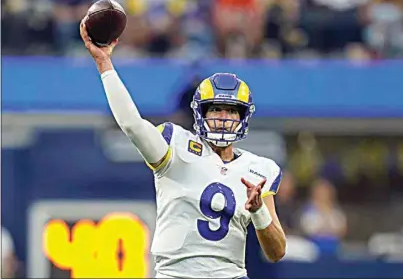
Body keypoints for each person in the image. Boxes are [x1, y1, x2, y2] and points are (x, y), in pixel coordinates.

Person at [79, 16, 286, 279]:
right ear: (201, 114)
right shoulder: (175, 144)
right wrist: (104, 63)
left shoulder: (259, 169)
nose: (223, 117)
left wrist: (257, 212)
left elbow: (276, 252)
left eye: (231, 111)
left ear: (243, 117)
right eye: (216, 109)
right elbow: (131, 124)